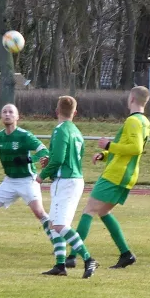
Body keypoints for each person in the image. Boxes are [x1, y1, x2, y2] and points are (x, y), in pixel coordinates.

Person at [66, 86, 150, 269]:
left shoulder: (133, 122)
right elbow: (127, 147)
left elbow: (136, 148)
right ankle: (126, 254)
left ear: (132, 99)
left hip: (117, 174)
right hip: (126, 173)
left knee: (89, 210)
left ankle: (72, 256)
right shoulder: (144, 121)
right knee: (103, 212)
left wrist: (109, 145)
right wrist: (105, 154)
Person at [0, 103, 53, 249]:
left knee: (39, 213)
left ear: (17, 117)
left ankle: (58, 243)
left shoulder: (24, 136)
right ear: (1, 116)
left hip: (27, 181)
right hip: (9, 182)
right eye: (4, 112)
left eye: (11, 112)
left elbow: (44, 151)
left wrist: (29, 159)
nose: (7, 114)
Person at [36, 96, 99, 278]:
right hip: (75, 178)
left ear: (57, 111)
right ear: (75, 113)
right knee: (53, 224)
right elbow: (73, 157)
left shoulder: (60, 130)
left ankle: (88, 258)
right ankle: (60, 264)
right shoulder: (77, 132)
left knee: (60, 225)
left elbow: (58, 159)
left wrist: (42, 175)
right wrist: (51, 162)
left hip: (65, 181)